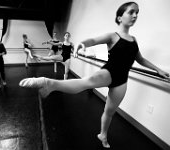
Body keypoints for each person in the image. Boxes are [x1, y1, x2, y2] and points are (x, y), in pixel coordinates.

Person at [19, 2, 169, 148]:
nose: (135, 15)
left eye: (137, 12)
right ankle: (50, 83)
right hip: (109, 72)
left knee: (109, 111)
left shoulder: (134, 40)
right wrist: (82, 43)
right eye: (131, 12)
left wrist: (158, 70)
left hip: (122, 81)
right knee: (86, 82)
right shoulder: (113, 36)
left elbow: (140, 59)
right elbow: (93, 40)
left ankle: (103, 134)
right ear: (119, 17)